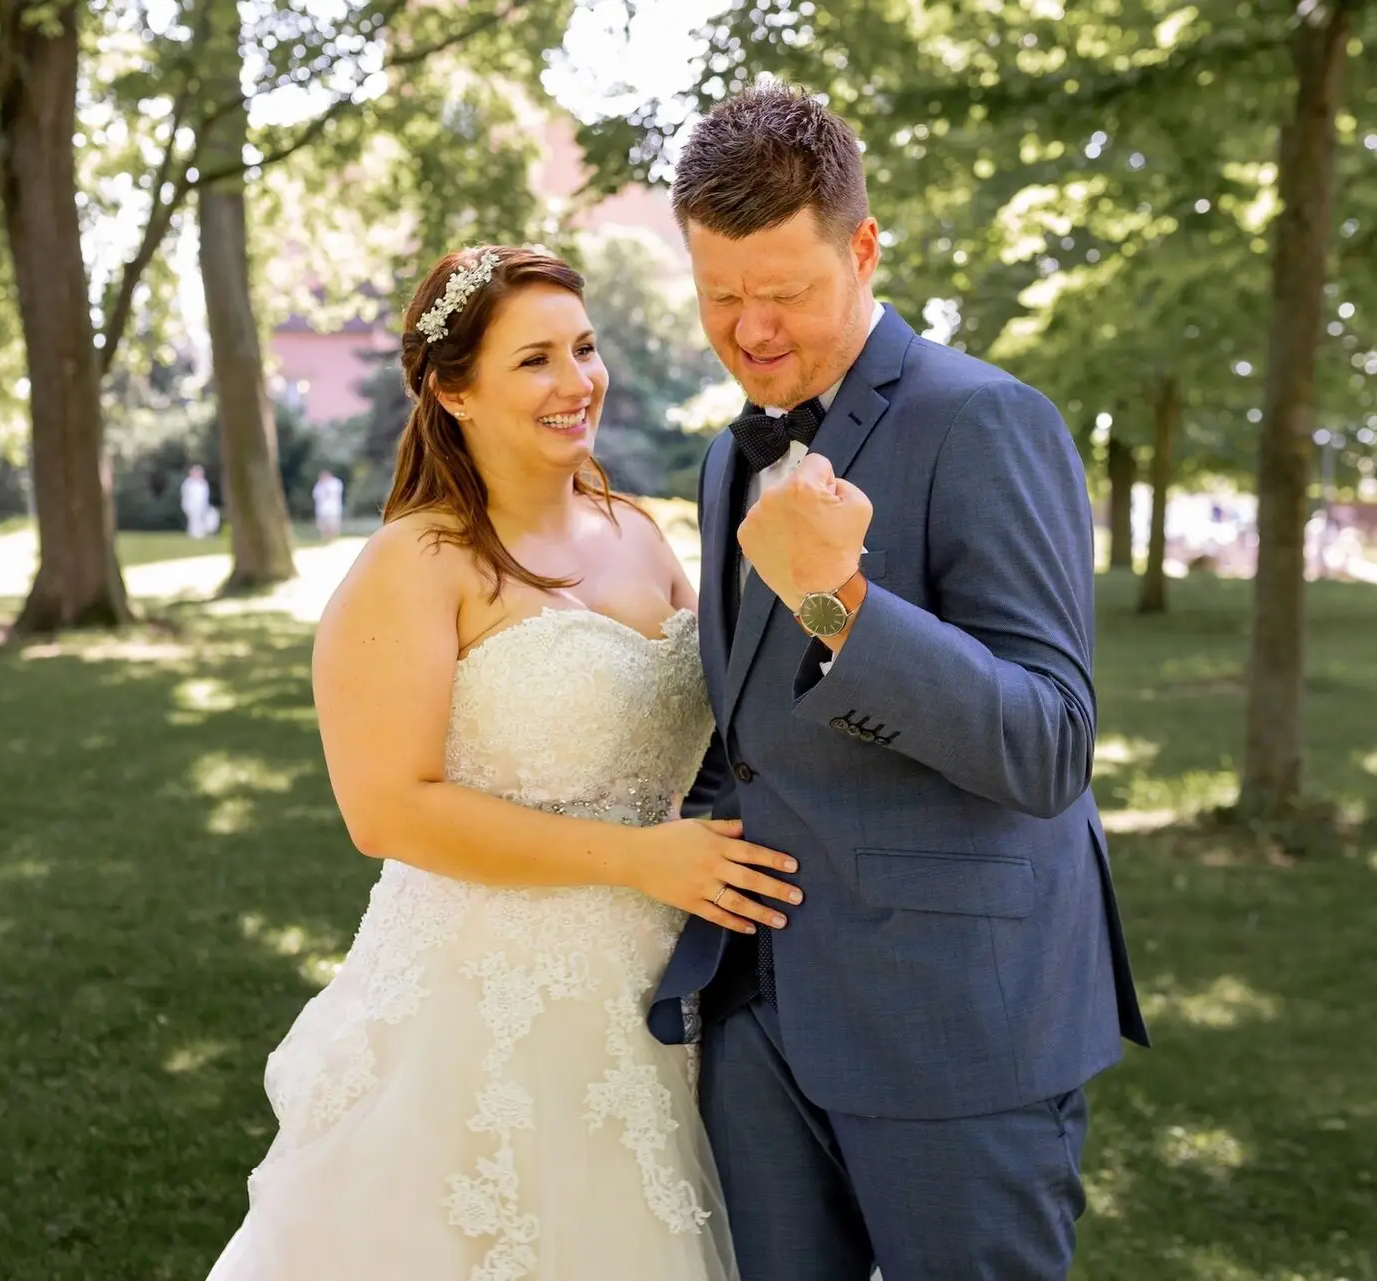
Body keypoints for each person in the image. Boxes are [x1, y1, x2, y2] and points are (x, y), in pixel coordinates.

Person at [206, 246, 788, 1281]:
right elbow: (388, 813)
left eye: (585, 347)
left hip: (660, 991)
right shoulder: (415, 565)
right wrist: (640, 861)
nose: (578, 383)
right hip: (479, 1011)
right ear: (451, 390)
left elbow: (734, 725)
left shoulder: (641, 536)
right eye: (534, 362)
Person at [649, 85, 1149, 1281]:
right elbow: (755, 726)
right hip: (761, 1018)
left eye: (785, 294)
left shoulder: (987, 420)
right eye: (722, 297)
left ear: (863, 250)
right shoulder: (734, 456)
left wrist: (842, 602)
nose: (752, 331)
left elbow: (1049, 744)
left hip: (954, 1029)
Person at [310, 469, 344, 540]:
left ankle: (334, 535)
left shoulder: (335, 483)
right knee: (323, 522)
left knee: (333, 521)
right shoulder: (319, 485)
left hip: (333, 506)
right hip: (322, 507)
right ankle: (325, 535)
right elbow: (316, 495)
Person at [180, 464, 213, 538]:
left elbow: (205, 495)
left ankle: (200, 533)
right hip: (191, 504)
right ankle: (193, 533)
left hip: (201, 504)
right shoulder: (188, 483)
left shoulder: (203, 483)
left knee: (201, 519)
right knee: (193, 519)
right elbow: (185, 494)